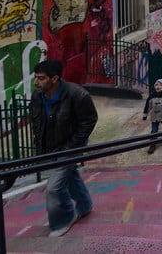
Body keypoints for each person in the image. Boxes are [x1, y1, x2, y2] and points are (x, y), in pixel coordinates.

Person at [29, 59, 98, 238]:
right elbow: (38, 122)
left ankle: (64, 219)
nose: (36, 82)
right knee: (70, 175)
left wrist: (72, 146)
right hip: (52, 147)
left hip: (70, 147)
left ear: (55, 79)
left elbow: (89, 120)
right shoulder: (37, 96)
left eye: (41, 78)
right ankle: (84, 205)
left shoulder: (77, 94)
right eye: (35, 77)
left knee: (54, 187)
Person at [142, 78, 162, 154]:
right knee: (154, 131)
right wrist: (145, 114)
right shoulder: (152, 96)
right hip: (154, 116)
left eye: (160, 85)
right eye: (157, 85)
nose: (158, 86)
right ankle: (152, 144)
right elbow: (148, 105)